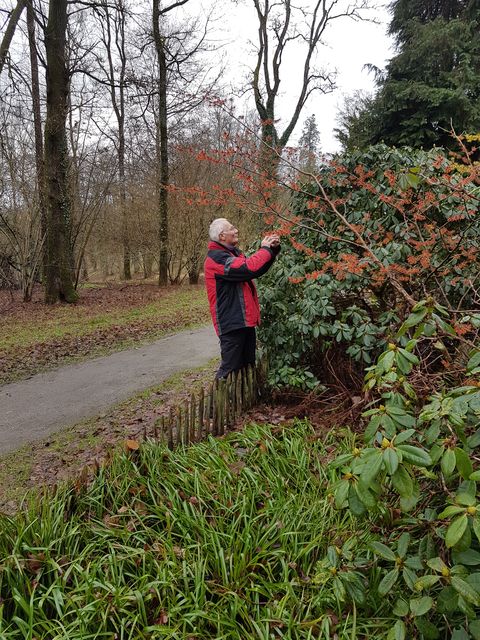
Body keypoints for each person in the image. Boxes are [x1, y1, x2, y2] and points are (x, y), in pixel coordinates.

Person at [204, 218, 280, 379]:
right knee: (230, 369)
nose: (236, 230)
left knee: (247, 365)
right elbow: (248, 267)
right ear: (222, 236)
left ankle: (244, 402)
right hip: (231, 322)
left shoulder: (232, 254)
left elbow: (255, 270)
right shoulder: (217, 259)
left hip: (243, 320)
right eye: (232, 228)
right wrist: (264, 249)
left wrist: (272, 250)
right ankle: (217, 404)